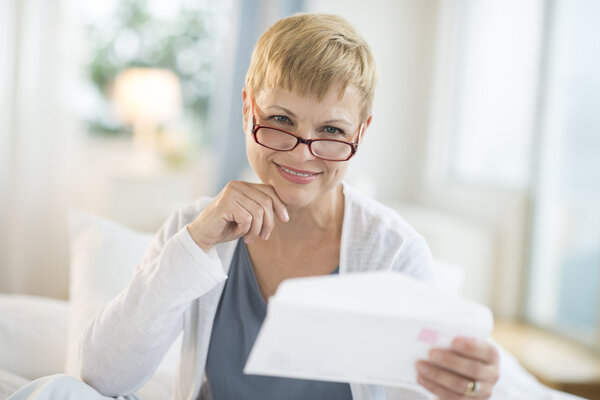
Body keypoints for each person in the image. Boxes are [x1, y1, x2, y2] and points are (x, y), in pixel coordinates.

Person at [9, 13, 500, 400]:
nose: (301, 152)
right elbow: (101, 376)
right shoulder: (192, 227)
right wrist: (194, 244)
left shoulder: (394, 253)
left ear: (361, 133)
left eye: (331, 131)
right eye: (281, 120)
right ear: (248, 110)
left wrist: (464, 390)